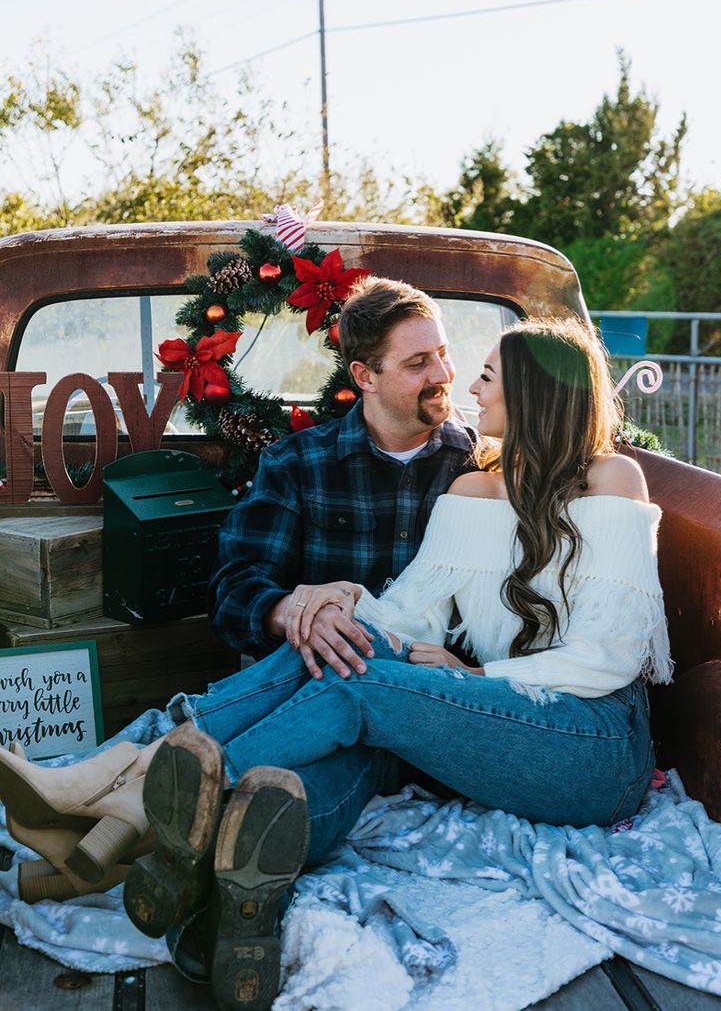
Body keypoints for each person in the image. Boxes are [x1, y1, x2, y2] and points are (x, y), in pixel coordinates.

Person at [0, 316, 671, 1011]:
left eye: (487, 376)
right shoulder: (476, 489)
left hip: (594, 746)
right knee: (350, 643)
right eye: (441, 364)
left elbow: (609, 658)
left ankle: (122, 792)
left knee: (363, 685)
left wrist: (472, 679)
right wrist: (334, 606)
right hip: (496, 733)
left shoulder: (611, 480)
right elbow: (405, 615)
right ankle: (141, 817)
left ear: (534, 393)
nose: (466, 384)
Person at [208, 274, 478, 680]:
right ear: (365, 376)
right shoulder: (296, 464)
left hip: (441, 694)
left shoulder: (483, 465)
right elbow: (233, 590)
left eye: (443, 354)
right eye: (418, 363)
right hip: (326, 684)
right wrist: (297, 614)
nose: (442, 375)